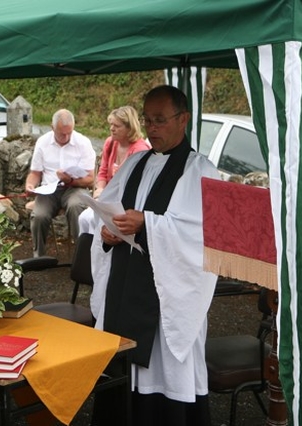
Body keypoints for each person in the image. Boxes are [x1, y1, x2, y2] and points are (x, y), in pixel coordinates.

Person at [89, 85, 221, 425]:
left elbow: (201, 236)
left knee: (163, 373)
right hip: (125, 285)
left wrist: (146, 222)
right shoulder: (135, 162)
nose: (152, 128)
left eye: (160, 120)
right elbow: (110, 207)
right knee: (121, 369)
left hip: (164, 299)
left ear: (184, 119)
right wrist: (108, 231)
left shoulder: (200, 170)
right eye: (148, 120)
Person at [25, 109, 96, 257]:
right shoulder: (43, 142)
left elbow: (90, 179)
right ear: (52, 128)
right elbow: (35, 173)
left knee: (77, 207)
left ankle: (81, 256)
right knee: (39, 215)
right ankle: (39, 256)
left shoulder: (83, 143)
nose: (66, 137)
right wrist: (30, 185)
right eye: (62, 133)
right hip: (49, 190)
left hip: (75, 188)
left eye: (69, 132)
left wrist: (70, 180)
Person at [77, 105, 150, 234]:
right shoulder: (111, 143)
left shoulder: (140, 150)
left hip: (125, 203)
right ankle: (86, 252)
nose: (112, 128)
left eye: (116, 126)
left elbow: (133, 186)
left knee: (94, 221)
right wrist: (100, 189)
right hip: (107, 199)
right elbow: (103, 171)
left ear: (129, 128)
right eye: (111, 124)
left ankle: (99, 252)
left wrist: (105, 198)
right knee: (83, 219)